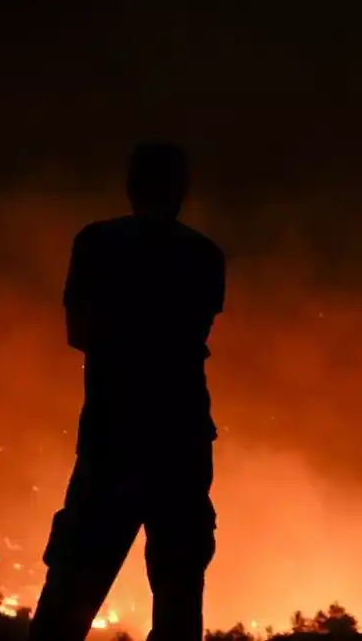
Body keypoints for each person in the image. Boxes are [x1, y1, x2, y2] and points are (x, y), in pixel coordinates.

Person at [28, 142, 226, 641]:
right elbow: (195, 332)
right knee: (179, 597)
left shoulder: (97, 243)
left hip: (112, 437)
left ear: (130, 187)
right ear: (182, 191)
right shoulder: (203, 255)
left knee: (71, 593)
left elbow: (79, 332)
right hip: (180, 441)